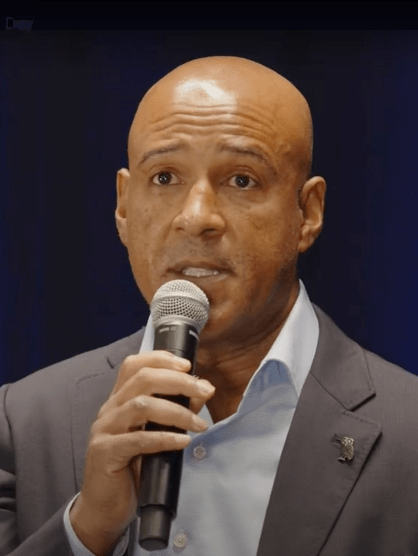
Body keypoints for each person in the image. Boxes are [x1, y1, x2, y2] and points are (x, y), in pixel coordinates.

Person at [1, 56, 418, 556]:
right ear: (124, 207)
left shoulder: (408, 430)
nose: (196, 217)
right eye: (164, 178)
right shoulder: (22, 422)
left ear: (307, 214)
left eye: (241, 180)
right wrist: (87, 528)